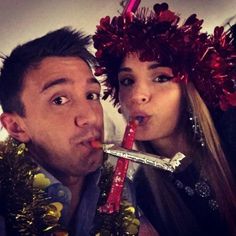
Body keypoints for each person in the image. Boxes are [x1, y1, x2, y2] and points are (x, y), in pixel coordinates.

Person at [93, 2, 236, 236]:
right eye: (127, 81)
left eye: (160, 78)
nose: (137, 96)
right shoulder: (143, 195)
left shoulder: (231, 131)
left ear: (188, 90)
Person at [0, 27, 156, 236]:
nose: (91, 117)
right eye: (59, 100)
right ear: (15, 127)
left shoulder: (123, 192)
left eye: (91, 95)